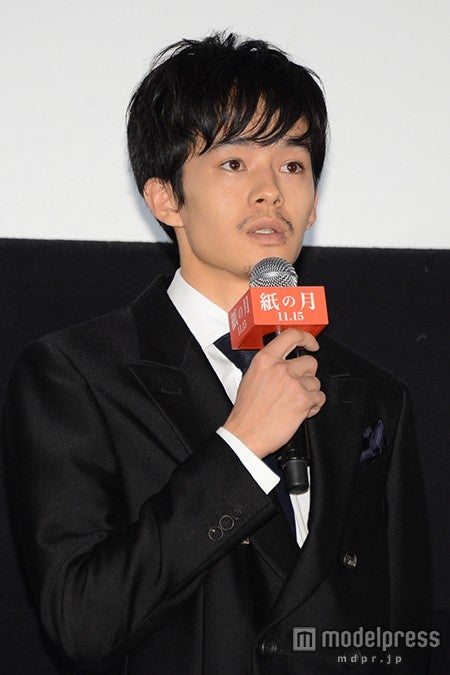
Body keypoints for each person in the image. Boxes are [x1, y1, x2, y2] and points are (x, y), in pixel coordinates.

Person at [3, 33, 431, 674]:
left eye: (292, 165)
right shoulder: (76, 375)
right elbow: (81, 620)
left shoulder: (373, 395)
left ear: (315, 200)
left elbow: (402, 630)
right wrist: (240, 447)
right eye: (234, 163)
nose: (270, 192)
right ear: (165, 197)